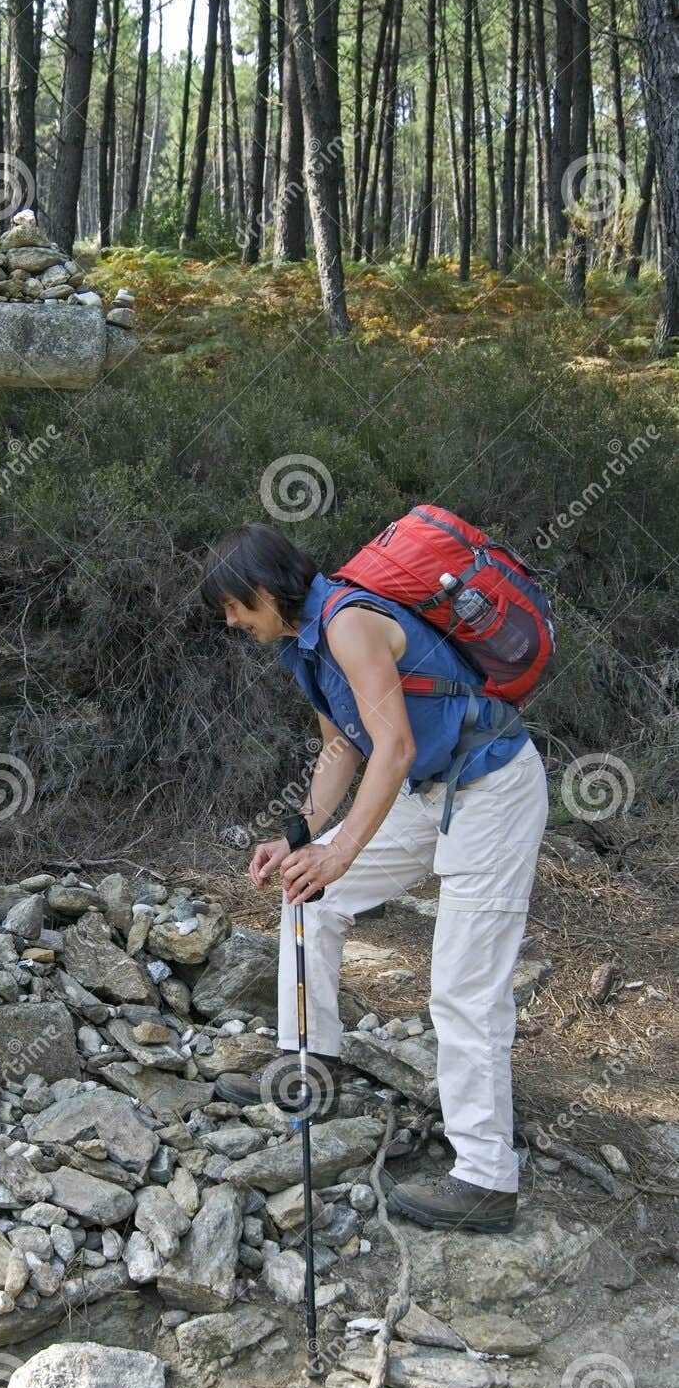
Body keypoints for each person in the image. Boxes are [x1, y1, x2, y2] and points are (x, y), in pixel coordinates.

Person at [200, 522, 548, 1234]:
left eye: (236, 607)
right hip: (429, 791)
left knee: (463, 986)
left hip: (493, 786)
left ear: (264, 591)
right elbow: (340, 748)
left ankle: (486, 1178)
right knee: (310, 897)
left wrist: (342, 850)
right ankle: (311, 1062)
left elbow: (393, 746)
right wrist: (302, 839)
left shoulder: (349, 622)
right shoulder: (307, 645)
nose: (233, 621)